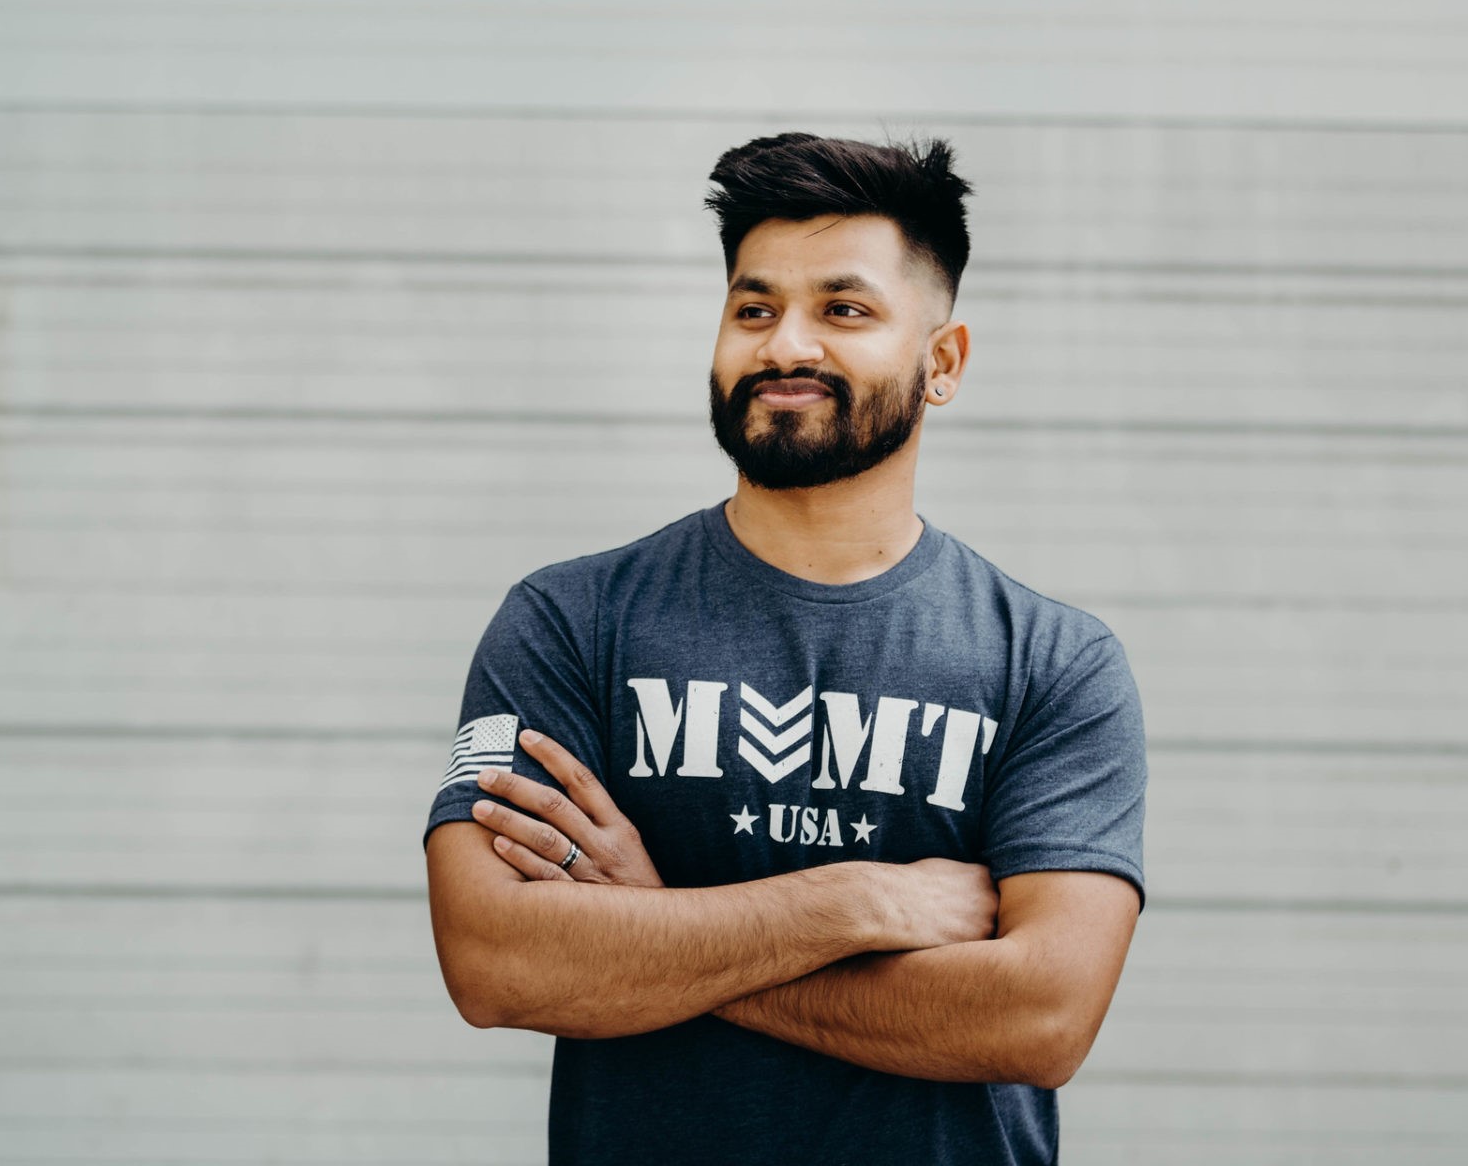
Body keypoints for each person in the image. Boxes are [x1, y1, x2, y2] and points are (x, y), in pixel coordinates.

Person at [422, 132, 1148, 1166]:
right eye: (753, 308)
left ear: (941, 361)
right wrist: (857, 902)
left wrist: (655, 926)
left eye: (844, 310)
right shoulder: (569, 621)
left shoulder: (1052, 660)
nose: (785, 345)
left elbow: (1040, 1017)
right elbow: (496, 960)